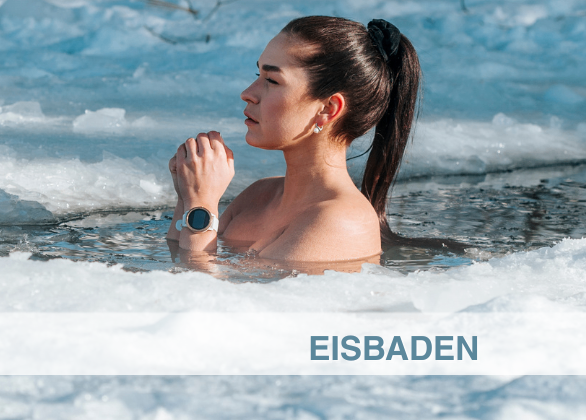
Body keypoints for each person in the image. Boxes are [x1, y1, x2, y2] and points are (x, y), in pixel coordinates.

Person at [166, 16, 425, 268]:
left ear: (328, 108)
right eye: (258, 74)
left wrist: (202, 204)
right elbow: (175, 262)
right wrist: (187, 197)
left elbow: (206, 301)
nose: (248, 93)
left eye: (271, 80)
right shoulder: (257, 196)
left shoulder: (341, 221)